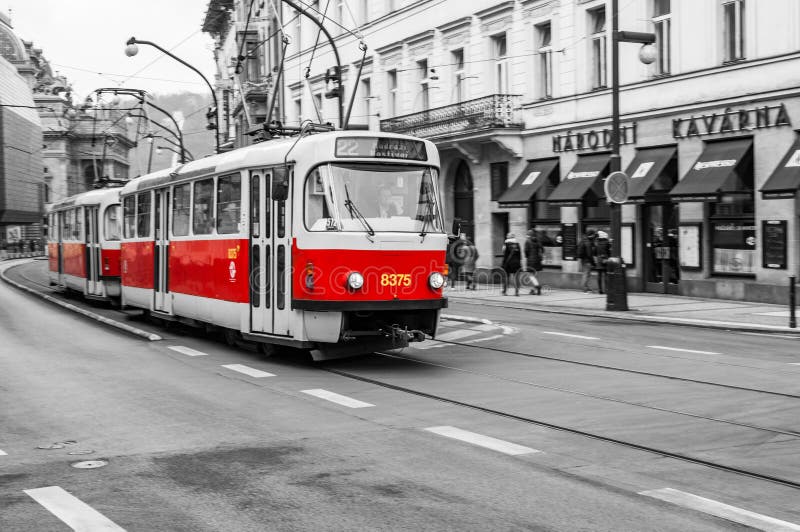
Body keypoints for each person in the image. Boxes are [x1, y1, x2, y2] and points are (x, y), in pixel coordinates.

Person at [524, 229, 543, 295]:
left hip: (531, 261)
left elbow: (526, 251)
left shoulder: (527, 241)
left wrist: (527, 256)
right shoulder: (538, 241)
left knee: (530, 275)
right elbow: (542, 249)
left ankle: (537, 286)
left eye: (527, 235)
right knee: (535, 275)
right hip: (538, 261)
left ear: (529, 235)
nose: (526, 236)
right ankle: (533, 290)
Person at [577, 228, 597, 293]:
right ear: (591, 235)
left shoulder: (583, 240)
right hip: (587, 261)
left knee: (586, 274)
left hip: (583, 260)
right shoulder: (588, 242)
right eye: (593, 235)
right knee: (586, 274)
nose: (594, 236)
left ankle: (586, 287)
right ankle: (585, 289)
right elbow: (589, 254)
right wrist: (593, 262)